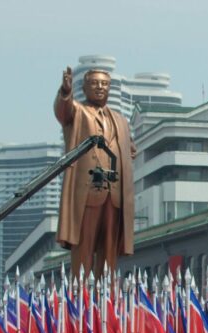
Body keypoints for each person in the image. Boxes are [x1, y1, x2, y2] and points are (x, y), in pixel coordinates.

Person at [54, 66, 136, 279]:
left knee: (109, 252)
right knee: (84, 249)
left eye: (105, 84)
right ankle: (81, 296)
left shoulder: (119, 120)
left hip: (114, 194)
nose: (100, 88)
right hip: (88, 192)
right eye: (95, 83)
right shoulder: (79, 112)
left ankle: (106, 296)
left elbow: (128, 149)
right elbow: (63, 112)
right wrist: (65, 91)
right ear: (85, 87)